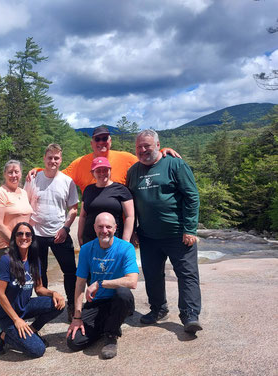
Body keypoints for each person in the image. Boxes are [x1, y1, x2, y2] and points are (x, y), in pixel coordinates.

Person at [126, 129, 202, 334]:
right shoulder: (133, 172)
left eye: (147, 146)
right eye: (139, 147)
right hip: (148, 236)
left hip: (178, 234)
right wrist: (133, 231)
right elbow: (130, 205)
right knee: (151, 274)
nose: (143, 150)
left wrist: (190, 228)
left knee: (187, 275)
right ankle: (158, 309)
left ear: (158, 145)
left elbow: (192, 196)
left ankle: (190, 315)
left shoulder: (175, 164)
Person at [66, 213, 138, 359]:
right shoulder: (86, 249)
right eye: (100, 226)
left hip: (119, 300)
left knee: (123, 294)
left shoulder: (126, 248)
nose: (104, 230)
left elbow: (132, 281)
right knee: (74, 342)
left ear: (115, 228)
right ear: (94, 228)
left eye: (108, 227)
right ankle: (107, 324)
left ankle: (111, 335)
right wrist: (77, 317)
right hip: (97, 302)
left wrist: (100, 283)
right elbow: (80, 284)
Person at [0, 222, 65, 357]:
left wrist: (53, 293)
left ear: (32, 238)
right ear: (14, 237)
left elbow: (39, 288)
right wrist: (16, 320)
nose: (24, 237)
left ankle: (32, 329)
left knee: (58, 305)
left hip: (24, 307)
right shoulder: (6, 260)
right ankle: (1, 335)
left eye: (27, 234)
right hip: (6, 315)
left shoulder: (34, 260)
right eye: (20, 234)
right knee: (38, 350)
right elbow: (0, 294)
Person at [27, 126, 180, 192]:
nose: (101, 142)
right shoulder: (80, 163)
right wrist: (40, 170)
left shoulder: (126, 158)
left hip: (119, 221)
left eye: (104, 138)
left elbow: (148, 161)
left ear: (110, 141)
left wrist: (161, 152)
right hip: (92, 222)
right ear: (92, 143)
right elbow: (58, 177)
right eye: (97, 139)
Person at [24, 143, 79, 322]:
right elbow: (24, 203)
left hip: (59, 233)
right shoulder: (33, 179)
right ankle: (44, 306)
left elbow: (73, 209)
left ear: (61, 160)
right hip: (36, 233)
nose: (53, 161)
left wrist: (65, 228)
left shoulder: (67, 181)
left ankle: (71, 305)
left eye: (56, 158)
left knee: (70, 271)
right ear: (44, 159)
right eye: (50, 158)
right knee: (40, 272)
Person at [78, 156, 134, 246]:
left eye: (105, 170)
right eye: (98, 171)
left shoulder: (121, 190)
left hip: (113, 239)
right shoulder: (88, 190)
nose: (102, 173)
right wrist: (80, 236)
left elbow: (129, 217)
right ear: (93, 173)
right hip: (90, 239)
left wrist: (125, 240)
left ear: (110, 171)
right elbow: (82, 216)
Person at [0, 160, 33, 258]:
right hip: (6, 244)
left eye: (16, 172)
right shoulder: (0, 193)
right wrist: (15, 243)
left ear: (21, 174)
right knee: (13, 272)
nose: (14, 175)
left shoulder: (24, 193)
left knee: (23, 272)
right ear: (5, 174)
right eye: (10, 172)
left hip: (22, 242)